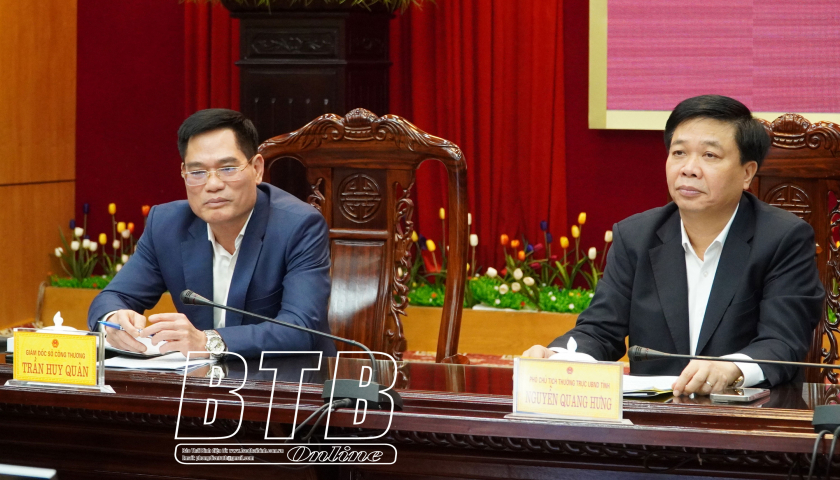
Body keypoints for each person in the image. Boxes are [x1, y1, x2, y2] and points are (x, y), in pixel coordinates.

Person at [523, 95, 824, 396]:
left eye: (710, 155)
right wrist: (560, 358)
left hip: (747, 415)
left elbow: (783, 341)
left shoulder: (783, 239)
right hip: (652, 415)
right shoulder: (635, 236)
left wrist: (731, 368)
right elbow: (600, 330)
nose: (689, 169)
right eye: (679, 153)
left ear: (747, 173)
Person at [88, 109, 336, 359]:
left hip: (285, 377)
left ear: (257, 169)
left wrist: (208, 341)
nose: (213, 184)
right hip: (199, 378)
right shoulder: (166, 225)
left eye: (227, 168)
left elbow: (301, 327)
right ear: (183, 173)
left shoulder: (298, 226)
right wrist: (114, 320)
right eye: (197, 172)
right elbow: (113, 297)